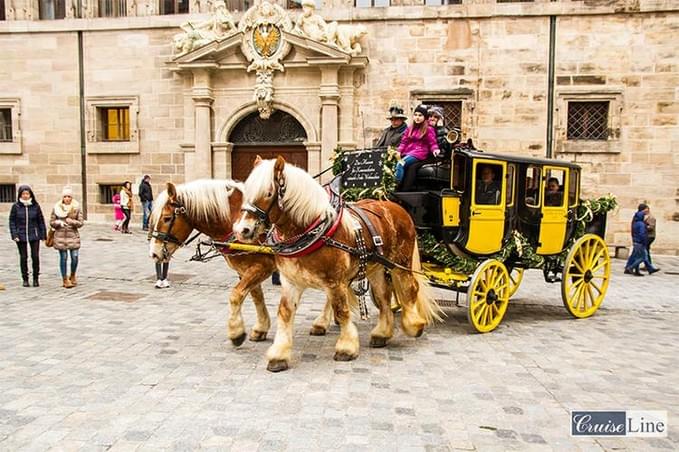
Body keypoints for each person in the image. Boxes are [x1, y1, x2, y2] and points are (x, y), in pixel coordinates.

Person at [9, 185, 47, 287]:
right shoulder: (16, 206)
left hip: (34, 234)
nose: (25, 196)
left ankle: (35, 278)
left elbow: (41, 220)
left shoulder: (35, 206)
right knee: (23, 257)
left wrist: (43, 234)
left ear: (30, 194)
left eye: (27, 194)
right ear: (20, 195)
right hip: (20, 235)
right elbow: (12, 221)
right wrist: (14, 234)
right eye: (23, 194)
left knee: (35, 256)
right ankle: (25, 278)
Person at [395, 104, 440, 187]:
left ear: (424, 117)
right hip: (409, 152)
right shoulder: (410, 128)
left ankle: (396, 185)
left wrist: (435, 150)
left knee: (400, 164)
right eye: (415, 115)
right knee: (394, 163)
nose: (417, 117)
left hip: (419, 153)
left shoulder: (428, 129)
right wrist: (399, 151)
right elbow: (404, 142)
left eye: (420, 115)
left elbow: (432, 142)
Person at [50, 186, 84, 289]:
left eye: (69, 196)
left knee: (75, 257)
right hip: (60, 236)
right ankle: (65, 279)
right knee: (63, 257)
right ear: (62, 198)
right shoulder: (56, 207)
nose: (67, 198)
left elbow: (81, 222)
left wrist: (72, 222)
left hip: (72, 235)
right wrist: (58, 223)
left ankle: (72, 275)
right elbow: (51, 222)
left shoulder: (76, 207)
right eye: (65, 196)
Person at [625, 205, 660, 276]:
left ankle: (644, 270)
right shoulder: (641, 224)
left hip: (636, 240)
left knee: (637, 255)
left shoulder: (636, 221)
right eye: (645, 210)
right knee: (642, 257)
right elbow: (642, 234)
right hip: (640, 241)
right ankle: (630, 268)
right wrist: (644, 241)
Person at [644, 206, 657, 271]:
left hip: (650, 236)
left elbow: (651, 227)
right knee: (646, 250)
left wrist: (643, 226)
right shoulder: (646, 217)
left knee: (645, 250)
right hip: (647, 236)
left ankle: (648, 265)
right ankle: (648, 265)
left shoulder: (651, 218)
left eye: (646, 210)